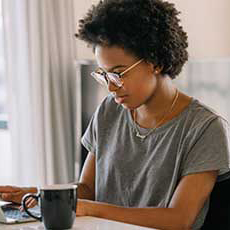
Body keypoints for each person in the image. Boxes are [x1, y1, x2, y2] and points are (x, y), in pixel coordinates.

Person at [0, 0, 230, 229]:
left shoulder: (205, 128)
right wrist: (38, 193)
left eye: (118, 74)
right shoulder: (109, 110)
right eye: (104, 75)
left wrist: (91, 207)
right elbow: (88, 189)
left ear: (155, 62)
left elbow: (179, 219)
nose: (110, 87)